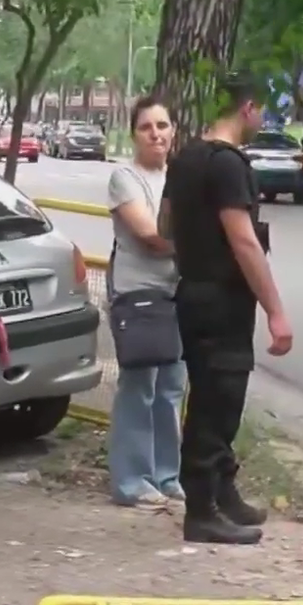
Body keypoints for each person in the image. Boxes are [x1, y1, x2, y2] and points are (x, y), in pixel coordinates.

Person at [163, 75, 293, 545]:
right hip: (221, 299)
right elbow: (243, 240)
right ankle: (201, 510)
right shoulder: (228, 164)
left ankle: (223, 490)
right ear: (248, 107)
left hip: (192, 292)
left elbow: (165, 225)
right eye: (263, 112)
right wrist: (275, 309)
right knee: (216, 404)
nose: (264, 121)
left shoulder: (184, 158)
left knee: (215, 397)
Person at [105, 96, 186, 507]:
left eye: (162, 125)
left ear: (173, 130)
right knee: (140, 385)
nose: (156, 134)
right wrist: (198, 246)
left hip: (175, 292)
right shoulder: (125, 178)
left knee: (172, 386)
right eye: (146, 127)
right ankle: (132, 481)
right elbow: (151, 237)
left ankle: (166, 476)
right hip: (138, 293)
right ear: (134, 134)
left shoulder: (179, 176)